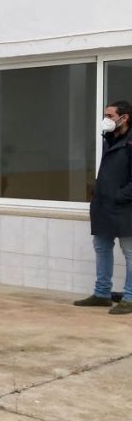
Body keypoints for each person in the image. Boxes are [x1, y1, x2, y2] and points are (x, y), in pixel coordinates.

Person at [74, 100, 132, 314]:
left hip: (125, 207)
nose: (106, 119)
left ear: (123, 118)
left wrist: (119, 196)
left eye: (110, 115)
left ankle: (130, 297)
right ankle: (102, 294)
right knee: (101, 248)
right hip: (104, 206)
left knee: (130, 252)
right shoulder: (110, 138)